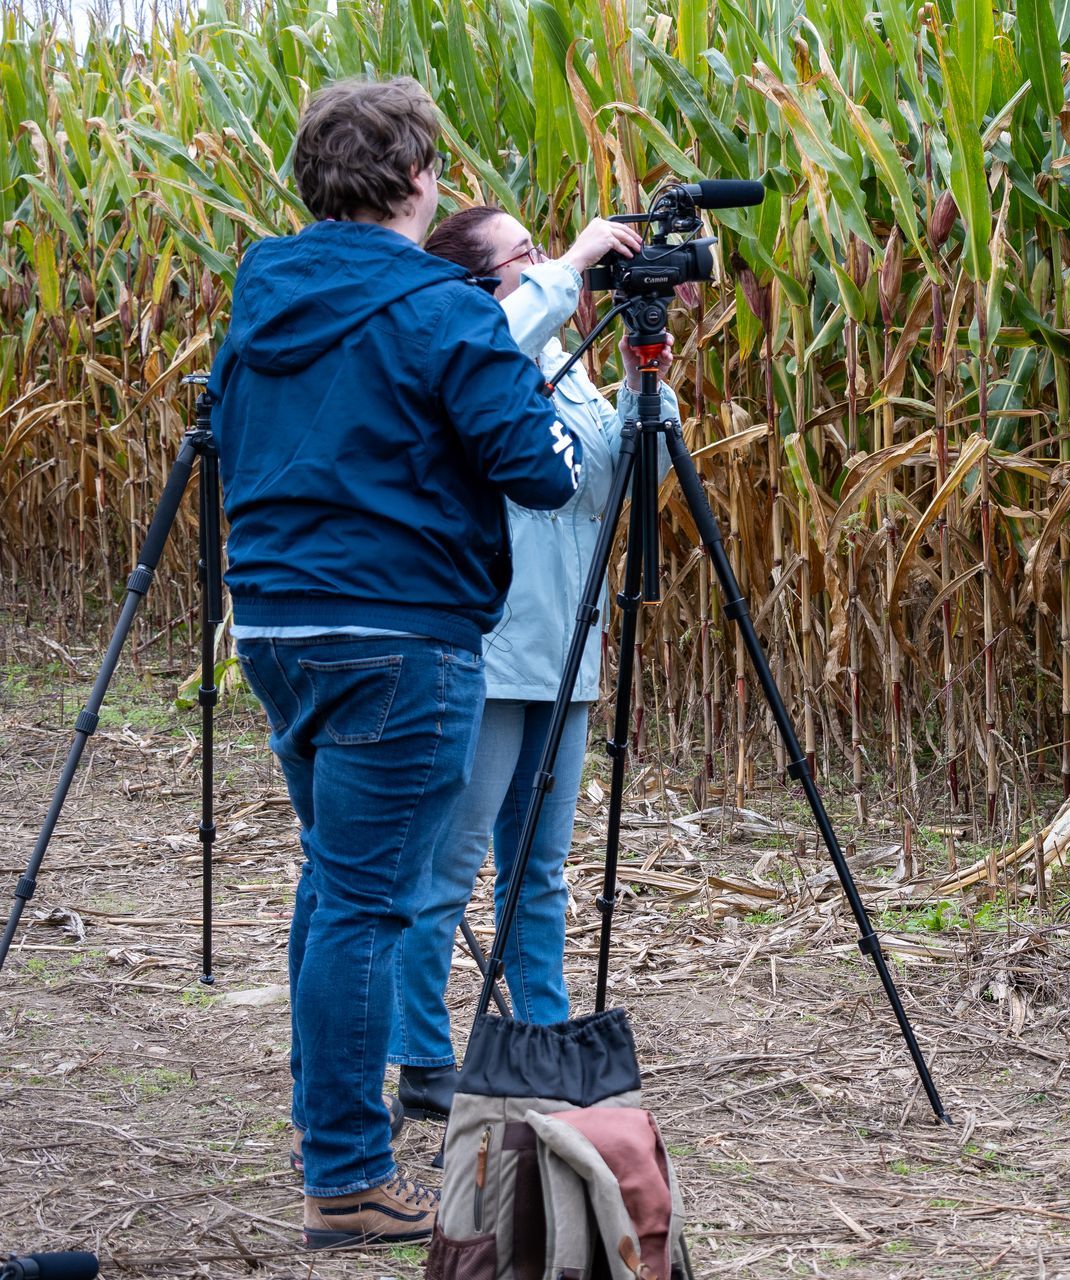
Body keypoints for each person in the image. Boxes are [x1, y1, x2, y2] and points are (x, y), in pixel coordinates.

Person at [210, 79, 579, 1248]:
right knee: (365, 901)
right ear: (421, 180)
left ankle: (335, 1140)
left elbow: (227, 433)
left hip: (273, 622)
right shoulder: (442, 309)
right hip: (400, 635)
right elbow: (539, 469)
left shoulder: (262, 291)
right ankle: (349, 1173)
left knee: (334, 886)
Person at [386, 206, 680, 1121]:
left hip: (564, 650)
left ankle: (544, 1042)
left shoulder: (563, 363)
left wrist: (647, 383)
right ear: (480, 282)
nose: (552, 265)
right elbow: (491, 349)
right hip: (483, 645)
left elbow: (608, 483)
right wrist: (576, 268)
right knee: (445, 867)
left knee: (539, 873)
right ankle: (422, 1055)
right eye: (529, 256)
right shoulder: (472, 344)